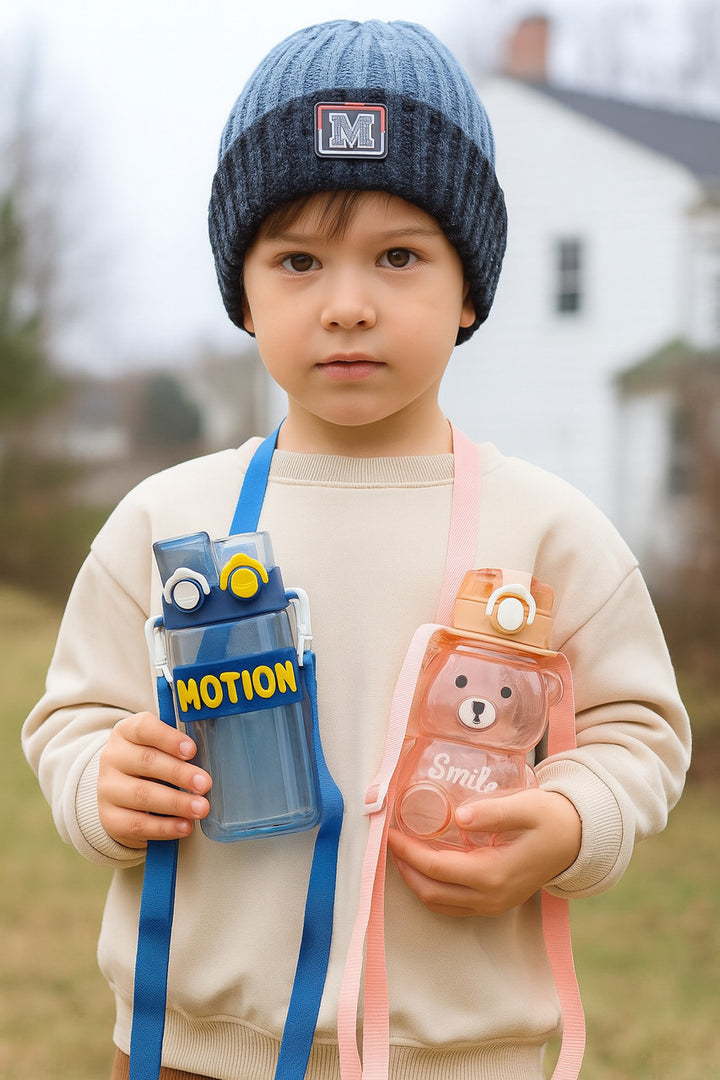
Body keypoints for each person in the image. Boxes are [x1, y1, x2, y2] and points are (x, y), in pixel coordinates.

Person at [22, 19, 691, 1080]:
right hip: (194, 1053)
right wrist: (101, 775)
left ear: (469, 287)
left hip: (465, 1058)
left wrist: (571, 819)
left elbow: (640, 732)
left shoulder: (556, 533)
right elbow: (72, 715)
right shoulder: (163, 522)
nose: (346, 304)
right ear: (241, 290)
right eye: (297, 259)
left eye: (398, 256)